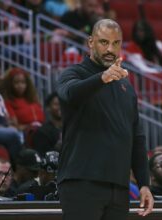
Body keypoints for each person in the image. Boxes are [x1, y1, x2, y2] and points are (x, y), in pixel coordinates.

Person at [56, 19, 153, 220]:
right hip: (81, 182)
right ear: (90, 42)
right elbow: (70, 94)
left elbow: (137, 137)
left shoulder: (125, 86)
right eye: (103, 42)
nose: (110, 49)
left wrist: (144, 183)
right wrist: (102, 78)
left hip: (118, 186)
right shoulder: (73, 73)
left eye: (116, 43)